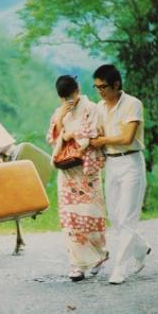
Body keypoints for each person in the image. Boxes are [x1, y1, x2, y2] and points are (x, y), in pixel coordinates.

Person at [89, 65, 151, 284]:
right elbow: (95, 133)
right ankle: (141, 248)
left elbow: (127, 138)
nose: (100, 91)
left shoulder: (133, 104)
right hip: (111, 164)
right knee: (115, 217)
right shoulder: (99, 107)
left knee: (127, 217)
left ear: (116, 84)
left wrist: (102, 140)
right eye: (97, 87)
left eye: (103, 87)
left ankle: (119, 269)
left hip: (131, 163)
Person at [47, 75, 108, 282]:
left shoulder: (91, 108)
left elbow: (94, 132)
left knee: (91, 215)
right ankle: (77, 265)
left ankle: (98, 256)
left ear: (78, 90)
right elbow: (51, 138)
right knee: (71, 219)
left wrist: (70, 134)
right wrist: (59, 121)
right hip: (67, 172)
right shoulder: (59, 112)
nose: (68, 100)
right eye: (64, 98)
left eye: (70, 95)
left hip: (86, 170)